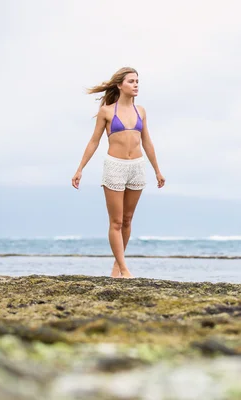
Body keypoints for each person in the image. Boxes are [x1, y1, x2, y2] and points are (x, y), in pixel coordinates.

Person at [71, 67, 165, 278]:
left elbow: (147, 141)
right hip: (115, 166)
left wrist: (157, 170)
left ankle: (117, 265)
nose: (136, 84)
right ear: (120, 85)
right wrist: (80, 169)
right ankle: (124, 269)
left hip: (137, 167)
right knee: (116, 221)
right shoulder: (107, 111)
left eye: (137, 81)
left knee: (128, 220)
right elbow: (94, 141)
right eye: (131, 81)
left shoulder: (141, 111)